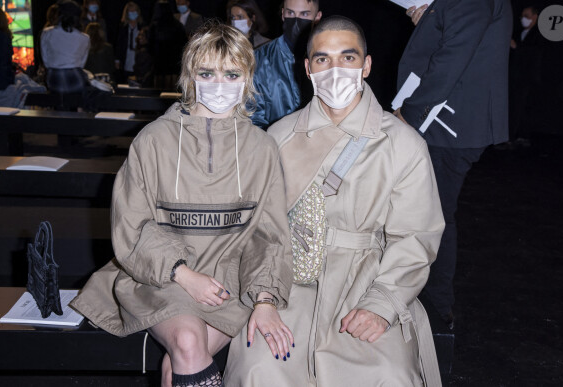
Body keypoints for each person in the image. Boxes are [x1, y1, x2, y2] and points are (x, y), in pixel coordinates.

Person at [70, 22, 294, 387]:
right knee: (188, 342)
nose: (219, 84)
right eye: (207, 72)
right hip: (161, 277)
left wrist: (265, 298)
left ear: (248, 78)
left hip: (230, 280)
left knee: (182, 362)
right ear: (191, 75)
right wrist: (184, 275)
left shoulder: (262, 147)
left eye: (231, 73)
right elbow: (132, 224)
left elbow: (269, 234)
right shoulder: (153, 140)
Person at [225, 16, 445, 386]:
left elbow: (416, 236)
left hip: (366, 283)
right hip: (286, 284)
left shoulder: (403, 144)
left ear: (367, 64)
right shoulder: (280, 136)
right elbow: (260, 230)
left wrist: (382, 305)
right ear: (308, 68)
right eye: (323, 59)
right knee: (258, 370)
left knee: (388, 375)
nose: (335, 69)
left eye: (348, 57)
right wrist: (263, 298)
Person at [395, 0, 512, 329]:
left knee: (433, 216)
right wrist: (430, 17)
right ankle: (432, 303)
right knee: (432, 213)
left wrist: (410, 111)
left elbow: (452, 58)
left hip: (448, 124)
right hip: (450, 123)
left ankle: (435, 307)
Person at [251, 0, 322, 129]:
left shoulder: (327, 59)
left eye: (304, 14)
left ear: (317, 17)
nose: (296, 21)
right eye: (291, 13)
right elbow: (252, 117)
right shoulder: (259, 59)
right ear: (283, 14)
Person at [508, 5, 543, 147]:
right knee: (513, 107)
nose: (524, 19)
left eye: (527, 16)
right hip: (514, 77)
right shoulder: (517, 33)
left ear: (535, 17)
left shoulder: (539, 35)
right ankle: (513, 136)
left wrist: (518, 48)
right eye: (522, 16)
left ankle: (519, 136)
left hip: (527, 78)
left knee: (522, 108)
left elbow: (536, 54)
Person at [41, 0, 90, 95]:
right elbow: (82, 63)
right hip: (75, 78)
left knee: (59, 104)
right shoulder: (84, 38)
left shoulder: (47, 33)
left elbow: (45, 60)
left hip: (53, 78)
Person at [149, 0, 188, 90]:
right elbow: (184, 44)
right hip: (174, 66)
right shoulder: (178, 25)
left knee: (157, 94)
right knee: (172, 95)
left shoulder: (155, 26)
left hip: (159, 66)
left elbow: (150, 47)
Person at [115, 1, 144, 84]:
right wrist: (117, 60)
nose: (132, 13)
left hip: (138, 56)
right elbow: (119, 43)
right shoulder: (123, 26)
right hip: (126, 56)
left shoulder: (142, 26)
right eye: (130, 11)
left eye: (134, 11)